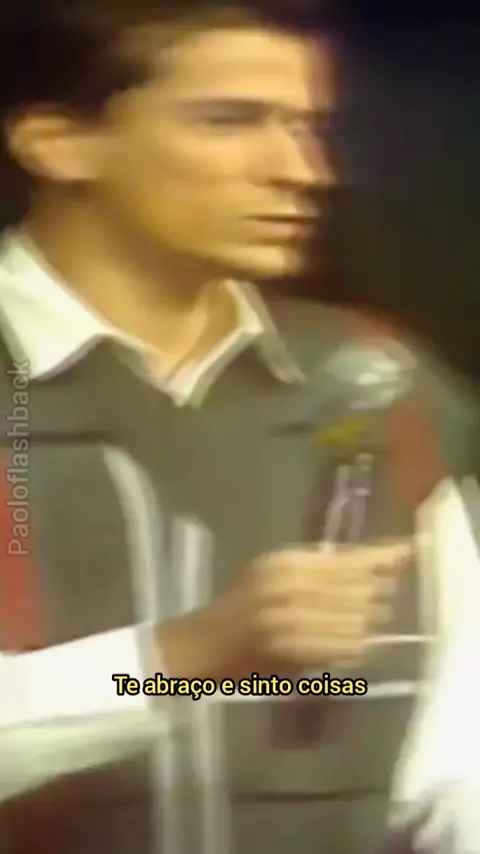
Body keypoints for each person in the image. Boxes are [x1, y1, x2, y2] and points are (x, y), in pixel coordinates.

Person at [0, 1, 477, 853]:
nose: (302, 171)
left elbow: (460, 753)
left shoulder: (380, 381)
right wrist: (185, 657)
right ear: (58, 142)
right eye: (229, 121)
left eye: (307, 127)